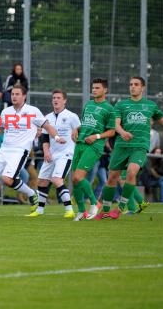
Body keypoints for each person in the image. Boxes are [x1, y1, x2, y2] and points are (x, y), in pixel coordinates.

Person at [98, 76, 163, 219]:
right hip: (121, 145)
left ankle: (120, 208)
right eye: (131, 84)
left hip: (140, 146)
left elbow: (162, 120)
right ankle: (105, 211)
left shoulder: (150, 105)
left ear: (142, 88)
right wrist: (123, 132)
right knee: (112, 177)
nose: (132, 87)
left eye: (136, 84)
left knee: (131, 173)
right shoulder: (121, 105)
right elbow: (116, 124)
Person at [0, 85, 64, 218]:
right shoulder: (6, 111)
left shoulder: (33, 111)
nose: (14, 96)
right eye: (12, 94)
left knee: (7, 179)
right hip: (4, 149)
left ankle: (31, 194)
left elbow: (47, 126)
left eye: (17, 94)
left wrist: (56, 137)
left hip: (19, 151)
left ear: (24, 96)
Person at [28, 89, 80, 219]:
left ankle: (69, 209)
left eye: (58, 98)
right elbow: (45, 139)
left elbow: (79, 132)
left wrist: (77, 138)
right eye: (54, 98)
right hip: (51, 154)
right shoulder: (48, 118)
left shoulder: (71, 116)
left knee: (57, 180)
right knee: (42, 182)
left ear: (64, 100)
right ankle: (39, 210)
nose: (55, 100)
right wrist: (46, 152)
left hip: (66, 154)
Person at [69, 78, 116, 220]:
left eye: (97, 88)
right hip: (80, 144)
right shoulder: (88, 105)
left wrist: (96, 136)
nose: (94, 90)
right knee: (74, 180)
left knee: (78, 177)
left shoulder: (109, 109)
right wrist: (76, 129)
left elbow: (112, 131)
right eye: (93, 87)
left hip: (94, 146)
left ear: (105, 90)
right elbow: (85, 124)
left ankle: (95, 203)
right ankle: (81, 211)